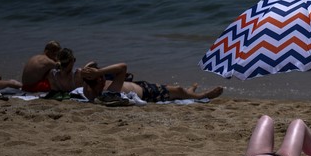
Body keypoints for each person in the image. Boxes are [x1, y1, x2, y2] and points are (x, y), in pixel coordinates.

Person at [80, 62, 224, 103]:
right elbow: (123, 67)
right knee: (178, 91)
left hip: (141, 86)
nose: (103, 77)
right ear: (98, 79)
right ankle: (200, 96)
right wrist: (98, 72)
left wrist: (90, 71)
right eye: (101, 77)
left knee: (177, 92)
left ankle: (190, 91)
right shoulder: (109, 91)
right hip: (149, 93)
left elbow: (87, 67)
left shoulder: (89, 90)